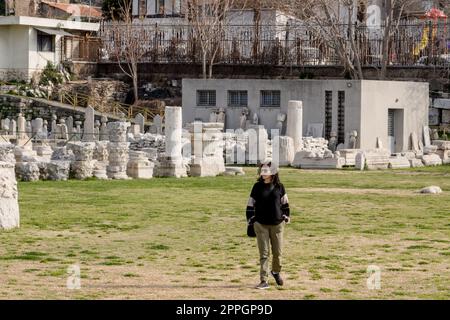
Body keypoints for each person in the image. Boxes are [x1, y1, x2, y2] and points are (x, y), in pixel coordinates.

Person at [246, 162, 291, 289]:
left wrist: (286, 217)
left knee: (278, 253)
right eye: (262, 170)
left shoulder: (280, 187)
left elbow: (285, 204)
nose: (263, 172)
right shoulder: (256, 187)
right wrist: (251, 220)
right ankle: (263, 280)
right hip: (261, 225)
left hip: (277, 225)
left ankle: (275, 271)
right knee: (264, 254)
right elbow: (250, 205)